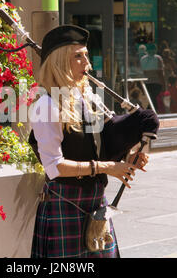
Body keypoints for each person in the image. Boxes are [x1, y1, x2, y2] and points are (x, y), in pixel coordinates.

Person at [29, 25, 148, 258]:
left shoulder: (85, 98)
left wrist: (128, 157)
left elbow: (99, 146)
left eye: (86, 55)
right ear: (60, 62)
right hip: (64, 204)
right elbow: (55, 167)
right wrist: (107, 168)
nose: (88, 63)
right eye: (78, 56)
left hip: (94, 202)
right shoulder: (46, 105)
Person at [140, 43, 166, 111]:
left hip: (146, 82)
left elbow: (142, 72)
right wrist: (164, 84)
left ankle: (150, 111)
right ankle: (151, 111)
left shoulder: (143, 59)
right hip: (156, 82)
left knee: (151, 98)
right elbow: (160, 73)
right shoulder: (158, 58)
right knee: (154, 99)